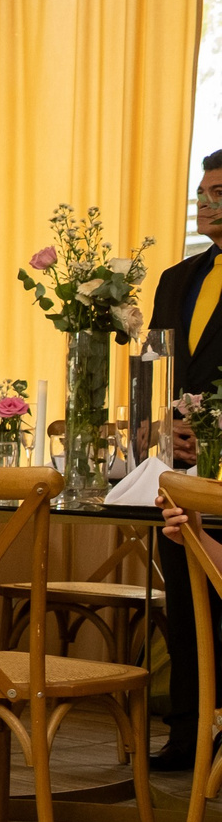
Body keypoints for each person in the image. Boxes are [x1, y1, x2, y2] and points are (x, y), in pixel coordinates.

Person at [148, 150, 222, 771]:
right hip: (177, 472)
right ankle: (188, 731)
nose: (205, 203)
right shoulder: (176, 278)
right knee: (184, 601)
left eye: (218, 192)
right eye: (202, 192)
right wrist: (158, 427)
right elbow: (157, 365)